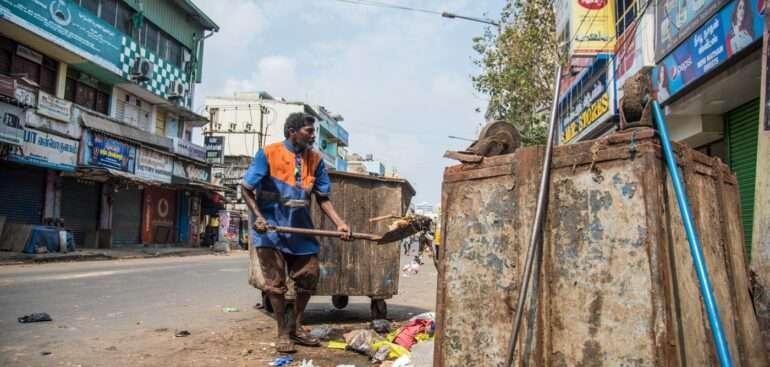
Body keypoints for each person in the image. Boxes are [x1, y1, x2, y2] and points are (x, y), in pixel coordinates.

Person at [241, 112, 351, 353]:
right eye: (308, 131)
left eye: (313, 131)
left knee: (309, 275)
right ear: (292, 131)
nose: (313, 136)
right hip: (270, 230)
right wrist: (258, 218)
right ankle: (282, 332)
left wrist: (339, 223)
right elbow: (246, 188)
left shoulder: (315, 160)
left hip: (300, 230)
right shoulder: (268, 154)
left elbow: (322, 198)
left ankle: (296, 325)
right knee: (276, 285)